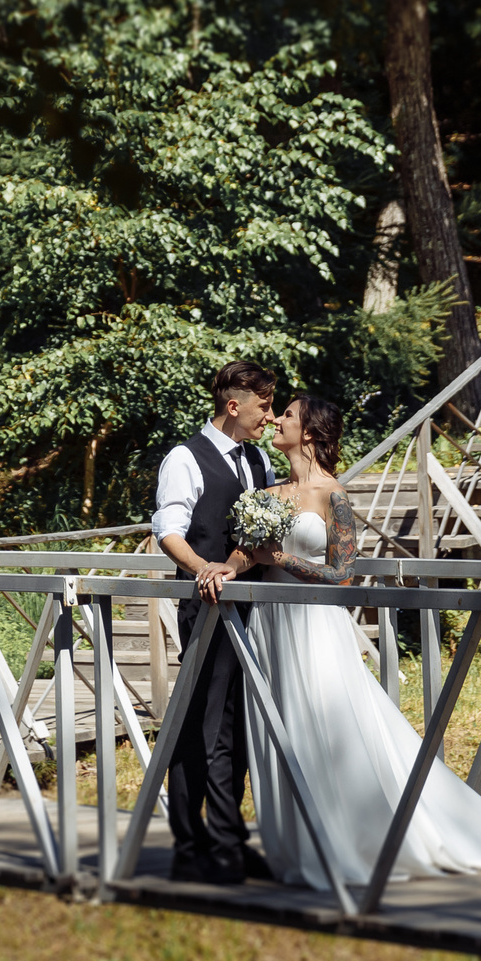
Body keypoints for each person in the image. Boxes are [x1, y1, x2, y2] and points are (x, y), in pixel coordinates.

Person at [238, 394, 481, 891]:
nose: (276, 419)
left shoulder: (334, 495)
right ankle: (297, 849)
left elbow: (344, 576)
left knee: (328, 726)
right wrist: (233, 563)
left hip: (314, 627)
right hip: (269, 624)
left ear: (308, 432)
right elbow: (248, 554)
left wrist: (280, 558)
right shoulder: (268, 492)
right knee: (278, 728)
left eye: (286, 414)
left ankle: (352, 843)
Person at [150, 360, 280, 883]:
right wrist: (204, 567)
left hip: (254, 608)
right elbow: (168, 528)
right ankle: (204, 844)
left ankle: (219, 837)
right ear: (235, 405)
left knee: (238, 724)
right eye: (264, 406)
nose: (269, 416)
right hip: (206, 610)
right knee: (207, 728)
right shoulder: (184, 458)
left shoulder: (259, 460)